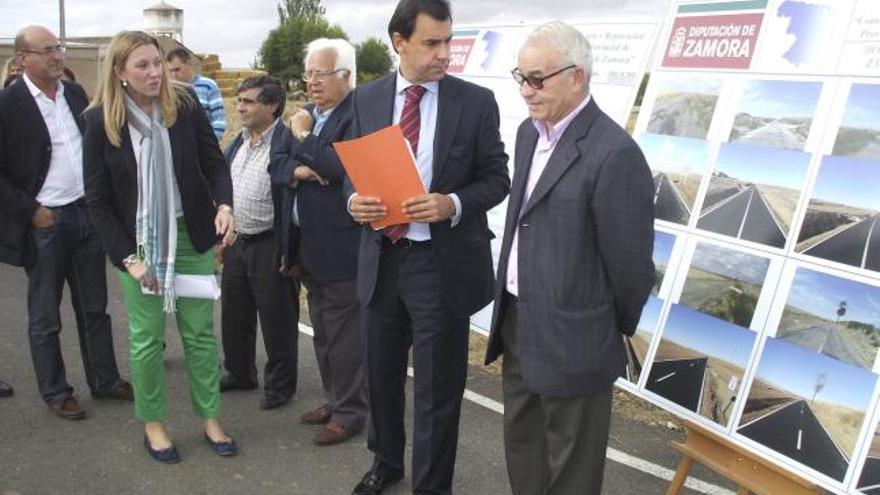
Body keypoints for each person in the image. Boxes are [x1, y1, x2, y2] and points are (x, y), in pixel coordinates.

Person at [484, 22, 655, 494]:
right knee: (524, 448)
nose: (525, 90)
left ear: (577, 77)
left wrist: (600, 324)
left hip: (577, 335)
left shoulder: (614, 153)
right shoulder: (526, 133)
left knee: (572, 472)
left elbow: (631, 268)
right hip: (518, 321)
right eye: (520, 76)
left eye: (537, 79)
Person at [346, 0, 509, 493]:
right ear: (399, 42)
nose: (445, 54)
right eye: (432, 43)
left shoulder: (475, 102)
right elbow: (348, 174)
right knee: (381, 375)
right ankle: (385, 464)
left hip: (441, 268)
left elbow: (497, 179)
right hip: (382, 260)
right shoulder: (366, 100)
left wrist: (452, 203)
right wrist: (352, 202)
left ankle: (432, 486)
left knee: (438, 391)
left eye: (449, 42)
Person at [82, 30, 237, 463]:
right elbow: (97, 199)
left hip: (191, 236)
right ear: (120, 73)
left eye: (157, 62)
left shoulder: (184, 106)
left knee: (200, 336)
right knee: (147, 339)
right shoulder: (100, 121)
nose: (155, 73)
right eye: (143, 66)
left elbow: (213, 163)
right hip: (139, 245)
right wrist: (128, 260)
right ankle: (153, 424)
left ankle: (210, 418)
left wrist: (224, 205)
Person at [0, 25, 133, 421]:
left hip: (86, 216)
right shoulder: (9, 105)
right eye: (47, 51)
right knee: (45, 315)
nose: (57, 56)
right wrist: (31, 212)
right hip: (46, 223)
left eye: (58, 48)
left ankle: (105, 380)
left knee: (95, 306)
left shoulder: (74, 94)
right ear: (24, 58)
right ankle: (57, 391)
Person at [285, 38, 366, 446]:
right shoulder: (312, 115)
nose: (312, 82)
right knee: (322, 332)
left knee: (346, 336)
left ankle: (352, 411)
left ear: (346, 76)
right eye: (309, 74)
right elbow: (277, 164)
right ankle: (335, 400)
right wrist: (299, 168)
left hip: (341, 247)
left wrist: (304, 137)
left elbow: (337, 166)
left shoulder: (356, 116)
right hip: (309, 247)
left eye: (321, 74)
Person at [219, 75, 299, 410]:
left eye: (249, 101)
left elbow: (296, 202)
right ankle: (240, 373)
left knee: (277, 319)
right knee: (234, 315)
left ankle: (280, 385)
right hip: (237, 242)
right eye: (239, 101)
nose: (240, 107)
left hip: (270, 244)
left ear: (272, 105)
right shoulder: (238, 141)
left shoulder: (287, 142)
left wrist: (292, 250)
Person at [166, 47, 226, 142]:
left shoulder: (208, 86)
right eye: (170, 71)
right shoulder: (168, 90)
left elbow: (219, 121)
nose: (174, 75)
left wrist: (210, 146)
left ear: (189, 63)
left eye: (177, 70)